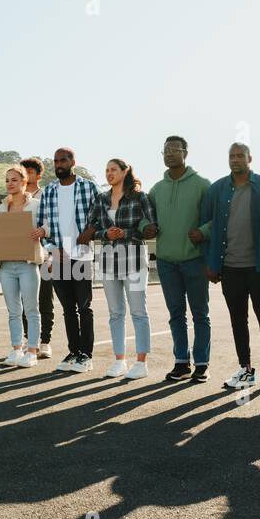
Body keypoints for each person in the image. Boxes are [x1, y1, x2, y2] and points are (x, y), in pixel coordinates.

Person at [200, 143, 260, 392]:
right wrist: (212, 263)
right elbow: (208, 227)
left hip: (259, 267)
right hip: (230, 267)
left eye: (240, 155)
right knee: (238, 320)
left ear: (250, 158)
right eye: (231, 156)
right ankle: (246, 369)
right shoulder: (217, 189)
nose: (235, 159)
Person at [145, 136, 211, 382]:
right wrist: (145, 226)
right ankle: (181, 362)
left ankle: (202, 363)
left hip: (194, 260)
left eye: (174, 149)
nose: (169, 154)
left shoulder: (203, 185)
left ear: (186, 152)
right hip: (166, 261)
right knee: (175, 314)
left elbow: (217, 218)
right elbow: (145, 216)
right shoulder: (156, 189)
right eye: (165, 150)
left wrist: (203, 232)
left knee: (200, 314)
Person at [90, 159, 157, 379]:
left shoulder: (140, 197)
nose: (109, 173)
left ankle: (141, 363)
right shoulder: (100, 199)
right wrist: (105, 235)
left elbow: (152, 227)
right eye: (106, 170)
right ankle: (119, 361)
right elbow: (93, 229)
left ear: (125, 171)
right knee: (115, 313)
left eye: (113, 170)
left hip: (135, 260)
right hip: (108, 261)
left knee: (138, 312)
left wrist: (126, 234)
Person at [35, 147, 100, 373]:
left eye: (63, 160)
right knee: (68, 309)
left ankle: (87, 355)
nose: (59, 164)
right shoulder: (49, 191)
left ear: (73, 161)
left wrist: (90, 230)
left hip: (81, 255)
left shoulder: (88, 187)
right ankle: (73, 352)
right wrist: (51, 251)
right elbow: (41, 225)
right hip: (58, 256)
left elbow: (99, 215)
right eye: (56, 161)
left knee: (84, 307)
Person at [0, 165, 46, 368]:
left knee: (32, 309)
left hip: (28, 264)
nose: (10, 183)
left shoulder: (36, 205)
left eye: (15, 179)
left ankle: (32, 351)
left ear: (25, 182)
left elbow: (49, 225)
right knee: (13, 311)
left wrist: (42, 230)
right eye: (7, 180)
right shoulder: (2, 207)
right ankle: (17, 348)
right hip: (6, 265)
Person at [20, 156, 55, 359]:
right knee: (26, 300)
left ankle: (45, 341)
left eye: (30, 172)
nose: (26, 176)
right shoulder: (19, 198)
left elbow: (53, 224)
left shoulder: (46, 195)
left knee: (44, 299)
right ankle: (28, 339)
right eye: (23, 173)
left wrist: (50, 254)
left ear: (38, 174)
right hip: (22, 255)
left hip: (44, 254)